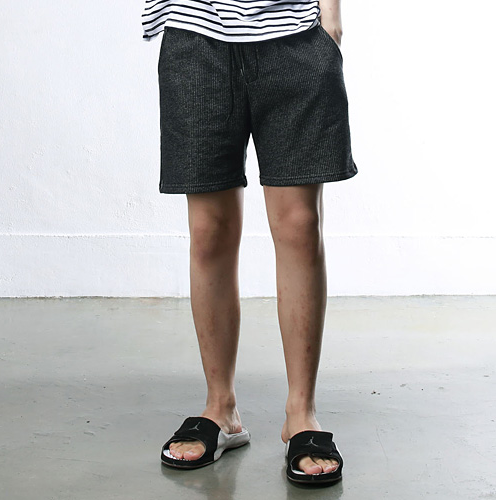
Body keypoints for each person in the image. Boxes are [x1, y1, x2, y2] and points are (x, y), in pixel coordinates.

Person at [142, 0, 357, 485]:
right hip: (195, 37)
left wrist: (330, 18)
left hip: (295, 33)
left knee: (299, 225)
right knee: (208, 231)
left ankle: (301, 413)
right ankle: (220, 408)